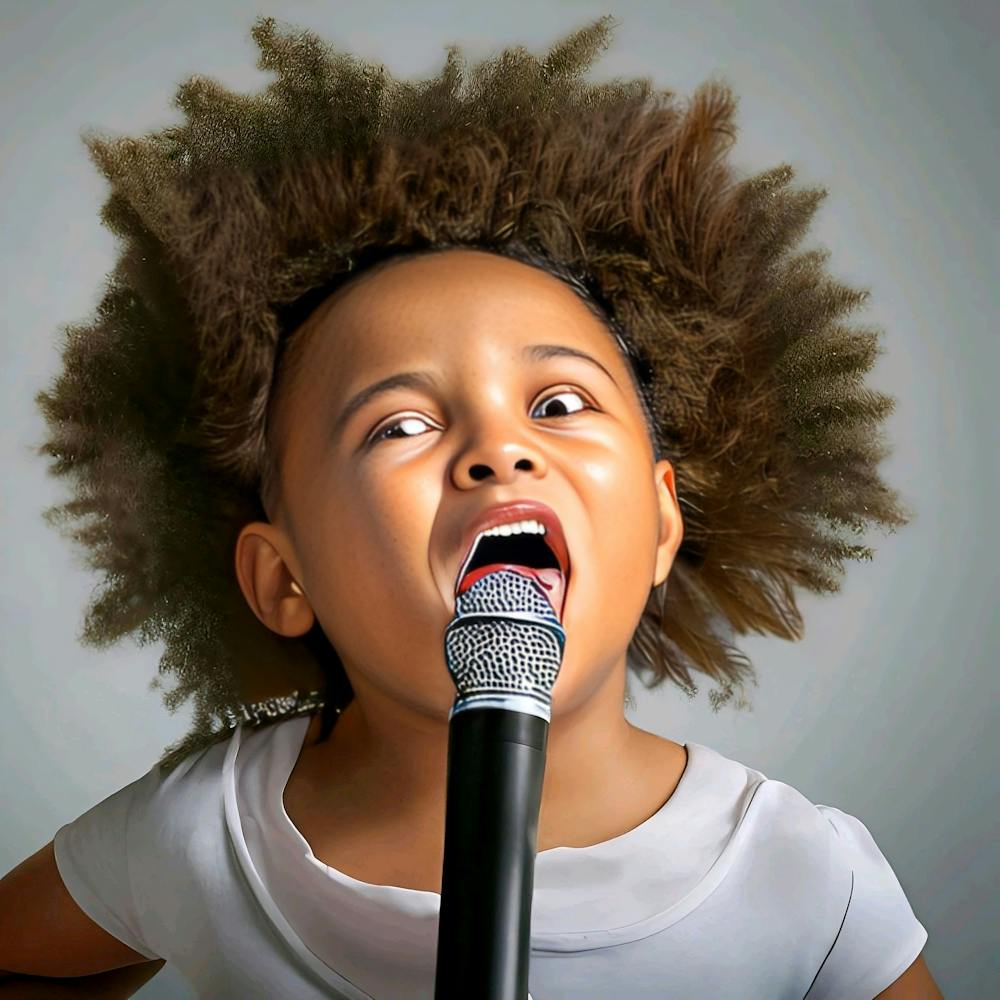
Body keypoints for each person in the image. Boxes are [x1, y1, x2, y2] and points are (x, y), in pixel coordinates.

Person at [0, 14, 943, 999]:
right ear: (285, 578)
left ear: (663, 523)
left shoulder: (798, 877)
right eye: (401, 424)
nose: (499, 449)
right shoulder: (202, 834)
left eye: (559, 403)